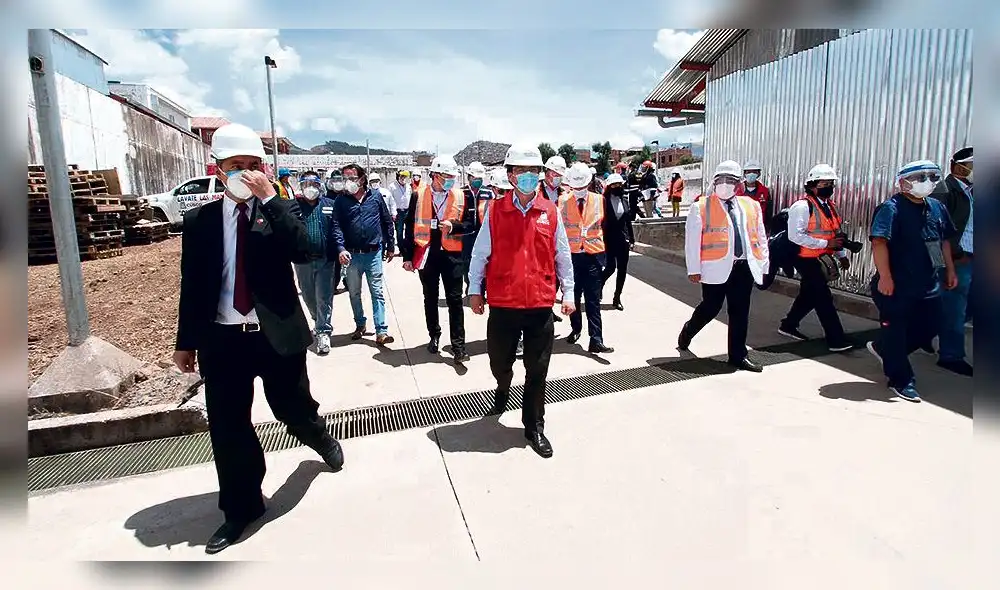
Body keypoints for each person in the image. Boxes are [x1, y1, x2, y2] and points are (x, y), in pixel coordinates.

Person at [173, 123, 343, 554]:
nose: (245, 174)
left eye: (253, 166)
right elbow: (192, 285)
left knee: (293, 407)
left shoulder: (277, 212)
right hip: (224, 340)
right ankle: (241, 508)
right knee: (229, 427)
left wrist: (270, 198)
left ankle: (319, 437)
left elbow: (305, 250)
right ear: (217, 168)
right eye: (236, 167)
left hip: (275, 336)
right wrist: (186, 341)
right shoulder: (200, 222)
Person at [468, 143, 575, 458]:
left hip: (540, 304)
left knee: (537, 368)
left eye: (533, 171)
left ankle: (534, 426)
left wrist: (568, 292)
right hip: (503, 303)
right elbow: (480, 254)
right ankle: (503, 386)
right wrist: (475, 289)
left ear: (540, 175)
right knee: (499, 361)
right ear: (510, 175)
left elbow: (563, 256)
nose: (528, 176)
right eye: (521, 171)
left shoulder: (550, 211)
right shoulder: (496, 212)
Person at [866, 160, 959, 402]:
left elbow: (944, 241)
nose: (926, 183)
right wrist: (885, 277)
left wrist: (949, 270)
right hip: (896, 285)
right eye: (919, 178)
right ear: (903, 182)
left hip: (928, 283)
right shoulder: (891, 208)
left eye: (930, 177)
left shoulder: (937, 207)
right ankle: (901, 379)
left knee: (933, 325)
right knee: (896, 332)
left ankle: (884, 350)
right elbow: (879, 243)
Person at [678, 160, 770, 372]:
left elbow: (761, 237)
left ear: (739, 184)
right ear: (714, 181)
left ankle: (738, 356)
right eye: (721, 180)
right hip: (715, 267)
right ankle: (688, 331)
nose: (725, 184)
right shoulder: (701, 206)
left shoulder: (751, 205)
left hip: (743, 267)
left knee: (740, 312)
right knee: (710, 308)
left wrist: (763, 265)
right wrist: (694, 269)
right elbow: (692, 241)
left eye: (731, 180)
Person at [401, 154, 476, 363]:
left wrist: (455, 226)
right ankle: (434, 335)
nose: (450, 179)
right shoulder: (419, 195)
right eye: (446, 176)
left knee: (455, 300)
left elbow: (470, 224)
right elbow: (408, 225)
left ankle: (458, 346)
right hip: (427, 253)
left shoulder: (461, 196)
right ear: (434, 175)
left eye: (452, 176)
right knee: (430, 298)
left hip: (452, 254)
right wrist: (407, 256)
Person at [777, 163, 855, 352]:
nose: (829, 187)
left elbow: (834, 233)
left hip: (822, 258)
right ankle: (836, 340)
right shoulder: (802, 207)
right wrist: (826, 245)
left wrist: (842, 254)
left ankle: (788, 324)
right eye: (824, 183)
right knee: (823, 298)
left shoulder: (830, 207)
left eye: (831, 183)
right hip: (806, 259)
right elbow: (795, 236)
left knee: (809, 295)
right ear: (812, 185)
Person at [331, 164, 396, 346]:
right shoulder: (341, 200)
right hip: (352, 255)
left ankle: (381, 331)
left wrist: (390, 245)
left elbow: (386, 221)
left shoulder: (375, 196)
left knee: (377, 292)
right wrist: (341, 248)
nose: (348, 182)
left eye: (352, 178)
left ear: (362, 179)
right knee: (354, 293)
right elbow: (336, 226)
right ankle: (360, 324)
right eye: (345, 178)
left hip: (374, 253)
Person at [557, 162, 614, 354]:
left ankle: (596, 339)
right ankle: (576, 329)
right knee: (573, 296)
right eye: (576, 187)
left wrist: (607, 258)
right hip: (571, 257)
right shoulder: (562, 201)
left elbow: (607, 228)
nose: (580, 190)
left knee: (593, 300)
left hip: (593, 257)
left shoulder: (600, 200)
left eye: (583, 186)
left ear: (589, 183)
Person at [932, 147, 974, 376]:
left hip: (974, 256)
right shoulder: (945, 190)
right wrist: (953, 257)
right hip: (958, 258)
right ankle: (951, 355)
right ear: (958, 166)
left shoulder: (973, 191)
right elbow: (937, 229)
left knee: (969, 306)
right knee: (954, 308)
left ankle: (926, 332)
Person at [293, 170, 340, 355]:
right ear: (301, 187)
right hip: (302, 261)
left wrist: (340, 249)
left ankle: (323, 332)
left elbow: (337, 228)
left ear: (320, 186)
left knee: (324, 297)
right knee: (308, 297)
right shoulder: (294, 207)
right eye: (306, 185)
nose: (310, 189)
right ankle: (317, 319)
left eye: (313, 185)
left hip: (325, 260)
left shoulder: (330, 205)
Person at [600, 173, 634, 310]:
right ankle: (599, 285)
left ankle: (617, 297)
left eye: (620, 184)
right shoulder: (603, 201)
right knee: (610, 268)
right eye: (614, 184)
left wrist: (631, 238)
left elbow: (628, 221)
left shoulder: (625, 200)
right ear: (609, 186)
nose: (618, 187)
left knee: (622, 270)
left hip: (623, 240)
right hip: (608, 239)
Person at [462, 161, 495, 295]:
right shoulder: (462, 192)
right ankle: (471, 287)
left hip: (483, 232)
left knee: (484, 261)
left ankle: (482, 289)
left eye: (480, 179)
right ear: (469, 177)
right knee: (467, 262)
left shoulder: (488, 192)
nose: (478, 181)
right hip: (466, 234)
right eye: (475, 178)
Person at [326, 169, 348, 291]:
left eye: (340, 180)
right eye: (335, 180)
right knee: (334, 265)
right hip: (331, 237)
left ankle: (347, 283)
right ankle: (333, 286)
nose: (337, 183)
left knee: (347, 262)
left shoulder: (347, 196)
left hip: (345, 235)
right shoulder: (325, 198)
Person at [736, 159, 772, 232]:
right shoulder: (736, 190)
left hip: (758, 228)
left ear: (759, 174)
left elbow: (768, 213)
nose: (751, 174)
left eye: (754, 172)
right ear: (744, 174)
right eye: (749, 172)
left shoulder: (764, 191)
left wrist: (767, 230)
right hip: (740, 228)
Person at [389, 169, 412, 254]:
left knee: (409, 231)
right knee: (399, 232)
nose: (403, 178)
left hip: (407, 211)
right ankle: (401, 250)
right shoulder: (392, 186)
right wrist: (393, 213)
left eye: (405, 177)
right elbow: (391, 201)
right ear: (398, 177)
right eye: (402, 176)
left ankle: (407, 249)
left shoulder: (408, 186)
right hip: (398, 212)